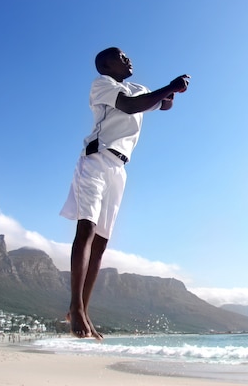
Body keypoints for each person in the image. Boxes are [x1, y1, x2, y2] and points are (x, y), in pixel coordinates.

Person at [60, 46, 190, 339]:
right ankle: (76, 308)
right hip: (95, 159)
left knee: (102, 243)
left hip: (119, 168)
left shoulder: (137, 88)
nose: (128, 58)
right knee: (86, 230)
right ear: (105, 65)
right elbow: (131, 106)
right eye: (120, 56)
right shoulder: (103, 85)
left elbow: (163, 105)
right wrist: (169, 87)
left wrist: (171, 93)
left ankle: (81, 309)